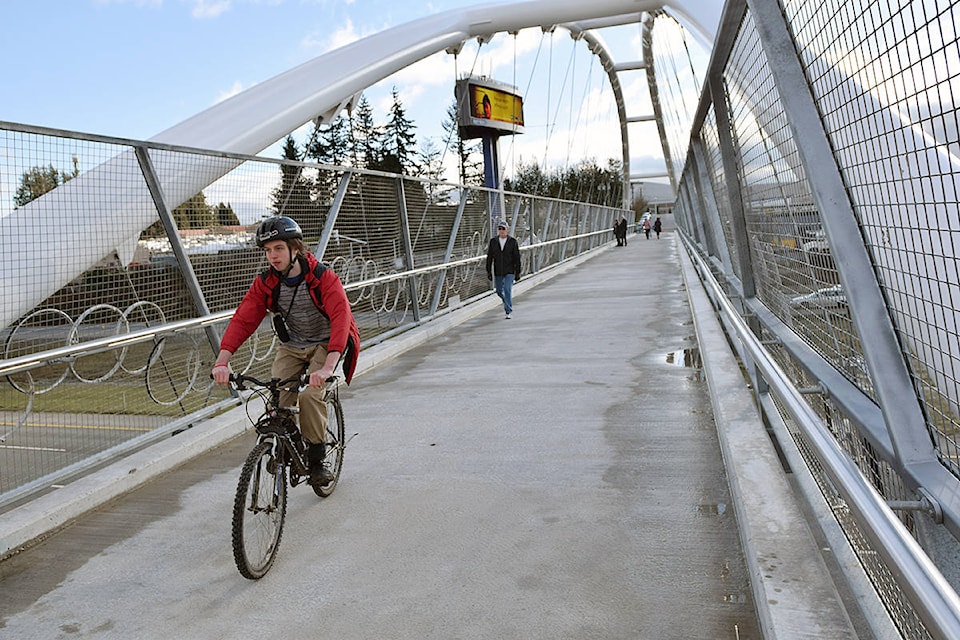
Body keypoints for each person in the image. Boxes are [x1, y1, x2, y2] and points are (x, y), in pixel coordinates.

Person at [212, 216, 360, 490]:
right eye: (268, 250)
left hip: (325, 344)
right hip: (293, 345)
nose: (273, 256)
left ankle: (317, 460)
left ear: (295, 248)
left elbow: (341, 320)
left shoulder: (323, 278)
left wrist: (328, 367)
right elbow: (243, 320)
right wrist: (222, 362)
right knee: (278, 397)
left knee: (310, 396)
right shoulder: (267, 282)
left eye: (278, 248)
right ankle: (284, 445)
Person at [486, 220, 522, 319]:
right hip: (498, 270)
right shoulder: (493, 242)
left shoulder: (512, 242)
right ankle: (506, 301)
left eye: (503, 229)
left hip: (509, 270)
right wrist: (488, 271)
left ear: (507, 230)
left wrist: (517, 272)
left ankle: (508, 310)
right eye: (500, 229)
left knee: (507, 289)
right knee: (499, 291)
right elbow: (489, 257)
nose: (501, 231)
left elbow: (517, 257)